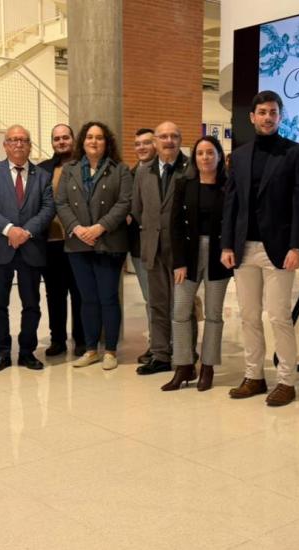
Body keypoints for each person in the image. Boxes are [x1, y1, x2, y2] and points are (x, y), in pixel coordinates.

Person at [221, 91, 299, 407]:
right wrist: (226, 244)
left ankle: (287, 381)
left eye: (273, 112)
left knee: (278, 317)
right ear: (252, 116)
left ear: (280, 116)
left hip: (279, 250)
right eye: (262, 112)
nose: (268, 117)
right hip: (243, 248)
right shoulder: (241, 155)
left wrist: (298, 245)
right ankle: (254, 376)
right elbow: (231, 203)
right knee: (248, 316)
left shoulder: (296, 153)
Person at [54, 121, 133, 371]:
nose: (94, 141)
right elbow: (61, 202)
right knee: (87, 299)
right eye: (89, 137)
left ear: (107, 142)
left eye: (99, 137)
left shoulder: (120, 170)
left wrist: (100, 228)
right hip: (78, 244)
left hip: (110, 241)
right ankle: (90, 350)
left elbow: (124, 203)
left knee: (108, 297)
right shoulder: (70, 170)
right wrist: (77, 229)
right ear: (83, 141)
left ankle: (109, 350)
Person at [0, 125, 55, 373]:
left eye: (23, 140)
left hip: (31, 248)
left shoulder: (42, 175)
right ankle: (0, 353)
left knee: (31, 304)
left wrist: (26, 232)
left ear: (30, 145)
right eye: (13, 140)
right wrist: (10, 229)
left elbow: (48, 209)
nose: (18, 144)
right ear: (5, 145)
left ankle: (27, 351)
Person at [163, 136, 231, 392]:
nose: (205, 157)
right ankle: (183, 366)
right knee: (180, 311)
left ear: (218, 156)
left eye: (210, 153)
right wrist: (179, 262)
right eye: (200, 153)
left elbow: (234, 221)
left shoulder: (229, 185)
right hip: (188, 256)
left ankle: (208, 367)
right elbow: (175, 225)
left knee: (213, 315)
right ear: (195, 158)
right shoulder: (184, 184)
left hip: (219, 255)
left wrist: (229, 249)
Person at [131, 121, 189, 376]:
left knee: (183, 305)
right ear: (155, 142)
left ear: (179, 139)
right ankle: (160, 354)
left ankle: (185, 353)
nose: (168, 141)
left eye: (173, 136)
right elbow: (137, 208)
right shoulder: (143, 172)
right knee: (157, 304)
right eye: (163, 136)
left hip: (182, 251)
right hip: (153, 248)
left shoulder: (191, 169)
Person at [38, 123, 85, 357]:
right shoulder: (43, 169)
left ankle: (81, 339)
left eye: (65, 137)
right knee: (55, 294)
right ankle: (57, 339)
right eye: (57, 139)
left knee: (79, 292)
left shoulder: (85, 166)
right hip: (52, 241)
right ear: (52, 143)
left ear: (73, 140)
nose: (61, 142)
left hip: (80, 241)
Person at [128, 128, 157, 365]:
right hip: (139, 247)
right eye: (138, 144)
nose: (142, 147)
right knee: (151, 299)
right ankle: (156, 344)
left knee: (168, 299)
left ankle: (173, 343)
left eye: (147, 142)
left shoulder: (166, 170)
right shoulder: (130, 173)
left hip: (165, 246)